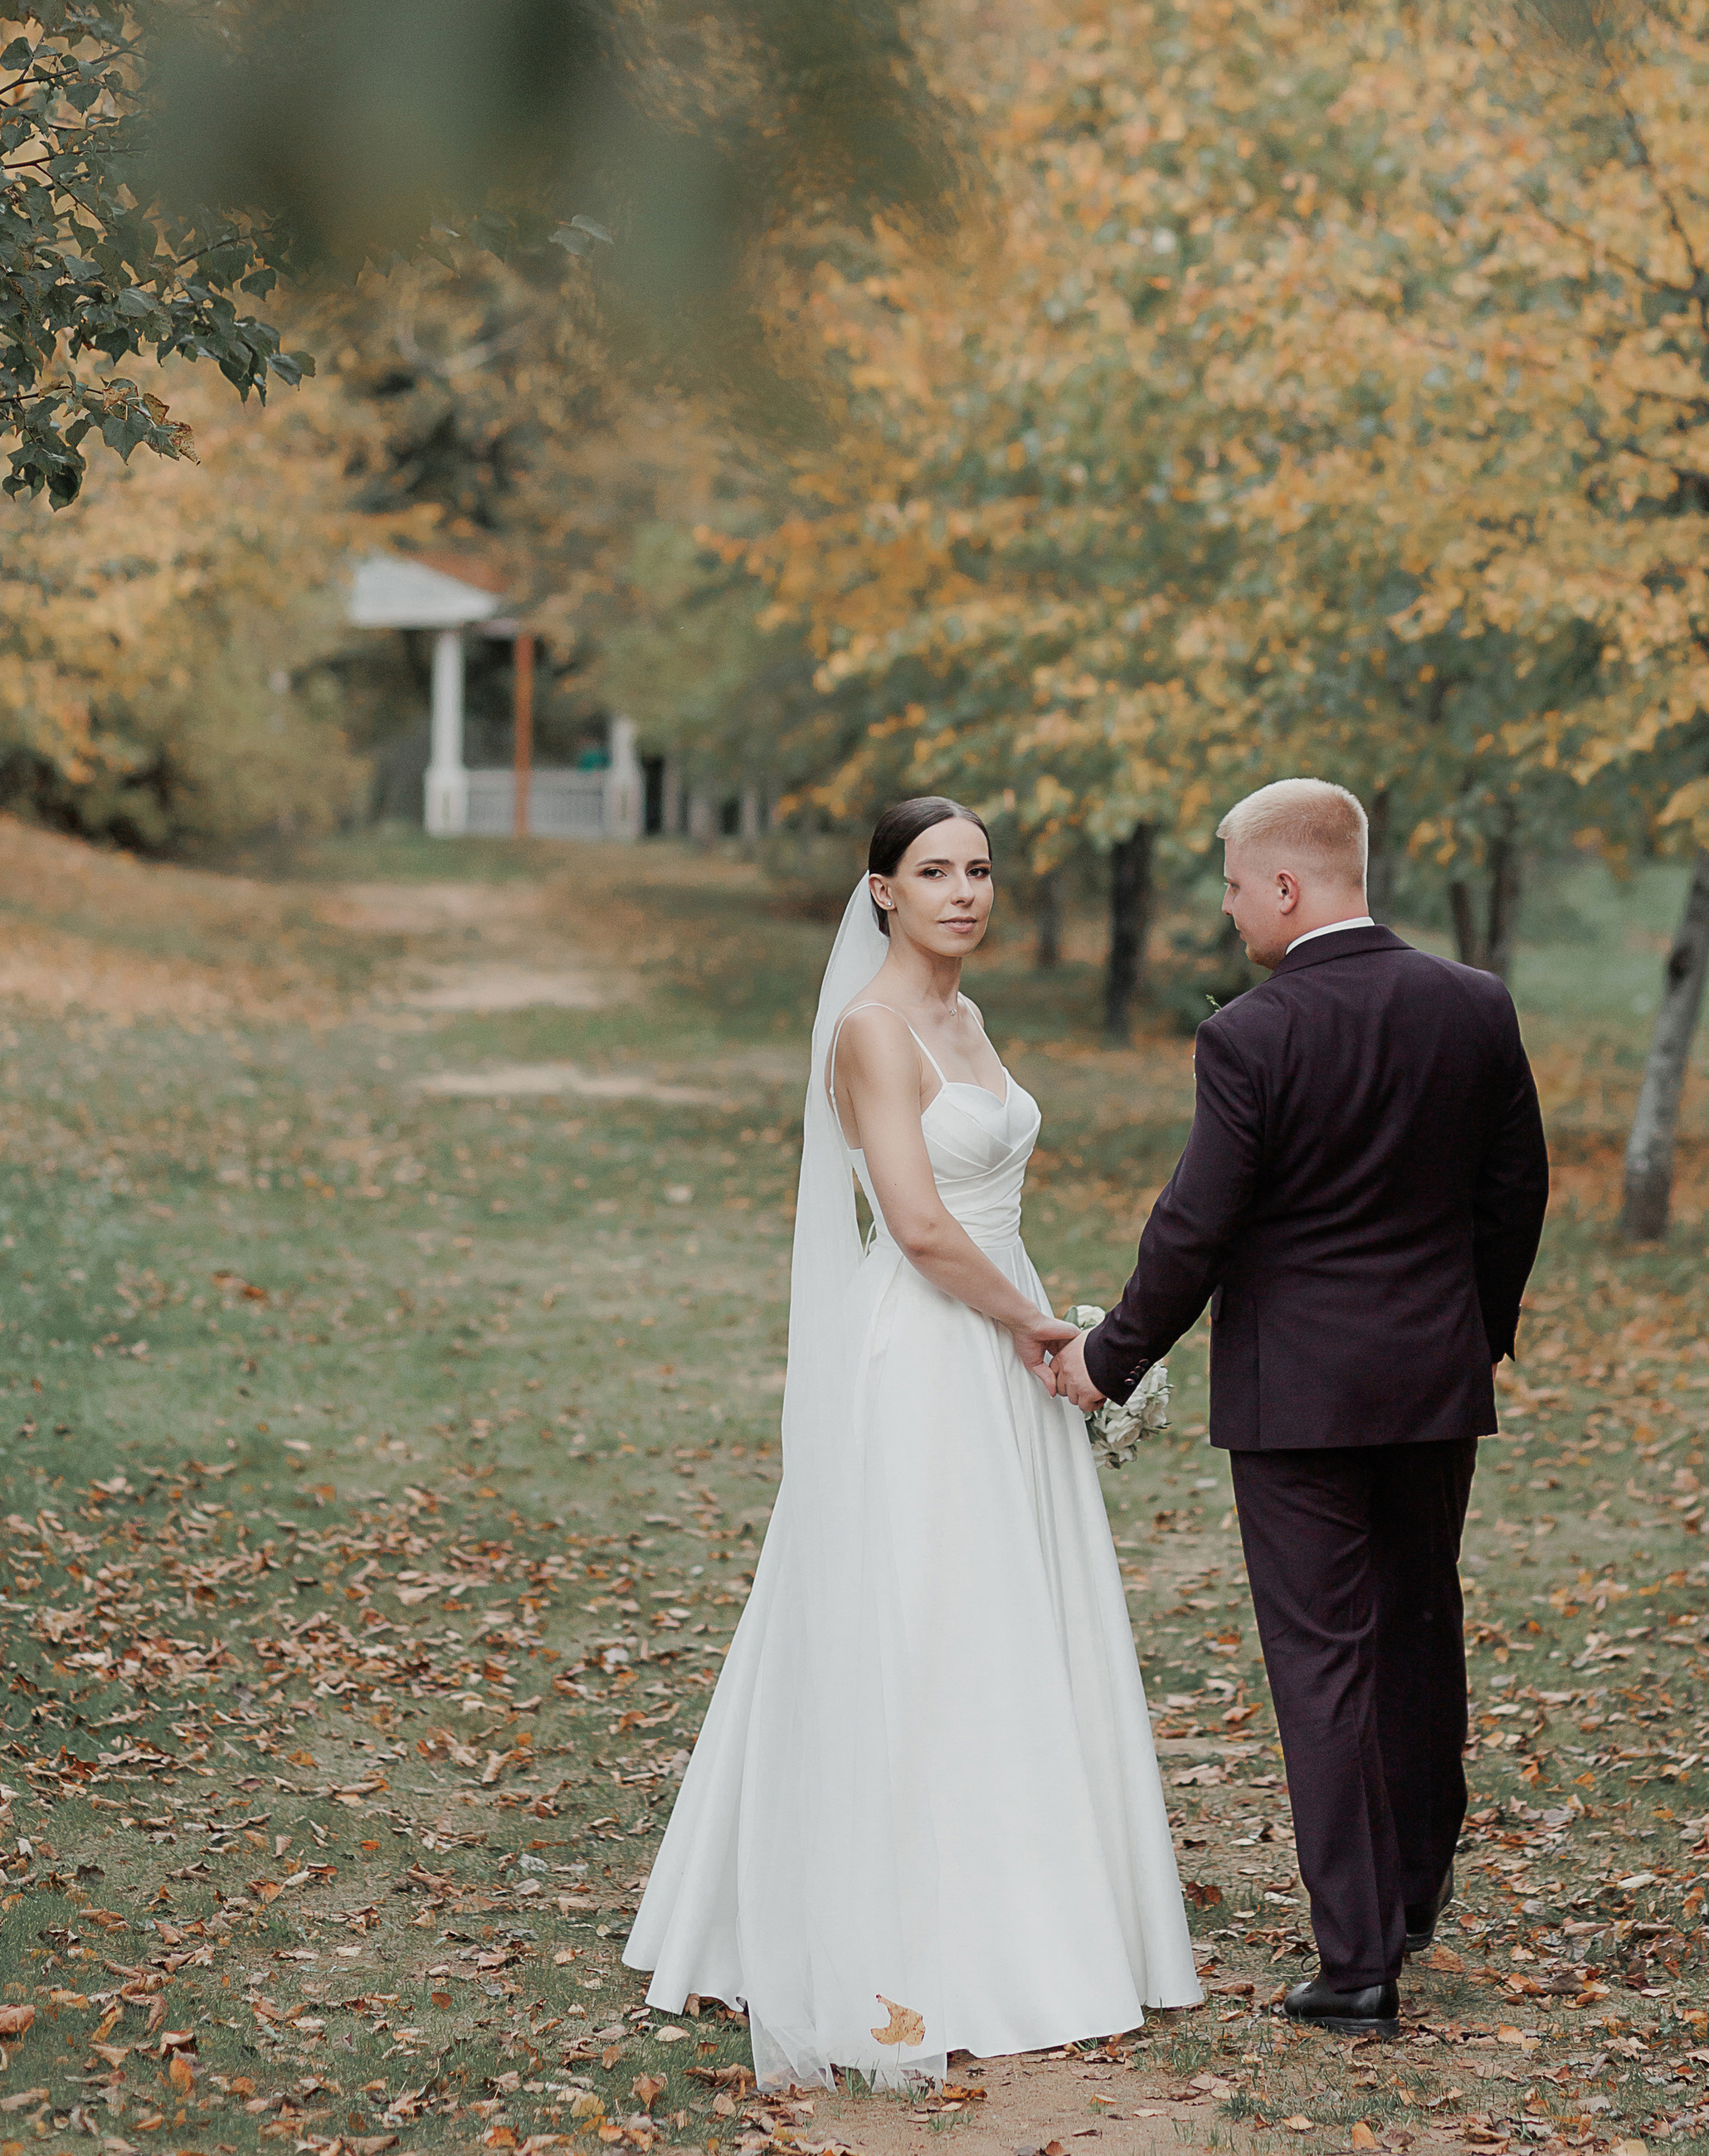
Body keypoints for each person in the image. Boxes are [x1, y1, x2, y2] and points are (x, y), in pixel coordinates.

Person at [625, 795, 1199, 2086]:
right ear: (880, 890)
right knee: (923, 1610)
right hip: (935, 1342)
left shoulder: (970, 1019)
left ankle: (1037, 1905)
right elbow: (925, 1227)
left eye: (981, 871)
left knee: (1003, 1612)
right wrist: (1049, 1334)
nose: (964, 893)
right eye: (934, 872)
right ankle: (886, 1922)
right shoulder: (874, 1032)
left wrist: (1032, 1329)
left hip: (995, 1331)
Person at [1044, 779, 1548, 2040]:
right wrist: (1468, 1332)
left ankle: (1359, 1962)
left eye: (1228, 886)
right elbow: (1515, 1191)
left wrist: (1108, 1357)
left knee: (1323, 1657)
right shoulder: (1472, 1005)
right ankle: (1416, 1893)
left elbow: (1196, 1226)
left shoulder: (1251, 1038)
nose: (1224, 913)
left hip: (1298, 1403)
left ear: (1285, 886)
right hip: (1434, 1385)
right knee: (1422, 1622)